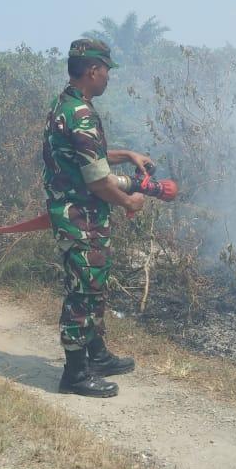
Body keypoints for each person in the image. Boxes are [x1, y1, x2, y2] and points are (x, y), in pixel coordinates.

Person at [42, 38, 155, 398]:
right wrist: (129, 202)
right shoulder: (82, 114)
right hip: (80, 218)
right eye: (106, 70)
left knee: (94, 285)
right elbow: (98, 181)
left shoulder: (66, 105)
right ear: (93, 70)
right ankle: (75, 374)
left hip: (77, 215)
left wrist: (128, 155)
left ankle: (97, 355)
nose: (108, 77)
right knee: (83, 291)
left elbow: (92, 155)